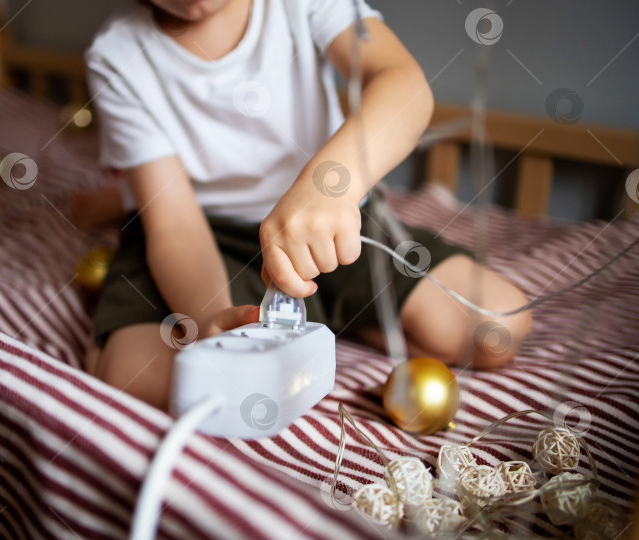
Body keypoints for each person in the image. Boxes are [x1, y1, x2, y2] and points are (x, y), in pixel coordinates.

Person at [79, 0, 532, 410]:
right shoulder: (117, 53)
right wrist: (212, 319)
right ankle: (314, 320)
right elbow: (175, 225)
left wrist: (331, 185)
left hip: (329, 218)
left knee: (496, 328)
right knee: (136, 377)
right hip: (202, 234)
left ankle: (330, 318)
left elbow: (402, 84)